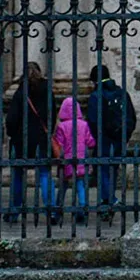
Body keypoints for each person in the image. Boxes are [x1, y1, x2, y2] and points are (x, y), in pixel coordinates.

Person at [85, 65, 138, 221]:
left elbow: (93, 121)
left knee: (102, 169)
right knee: (113, 169)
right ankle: (108, 200)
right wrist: (124, 135)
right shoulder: (122, 93)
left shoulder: (96, 96)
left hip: (104, 139)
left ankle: (108, 201)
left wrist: (98, 137)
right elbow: (131, 117)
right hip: (119, 139)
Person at [4, 62, 54, 222]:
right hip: (41, 138)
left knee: (18, 175)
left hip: (21, 139)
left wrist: (12, 133)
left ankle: (15, 210)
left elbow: (11, 118)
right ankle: (51, 210)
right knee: (45, 175)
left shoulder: (20, 92)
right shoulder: (47, 90)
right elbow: (52, 114)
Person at [52, 96, 95, 225]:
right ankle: (82, 209)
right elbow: (91, 142)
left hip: (66, 161)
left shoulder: (62, 126)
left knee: (63, 186)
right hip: (81, 160)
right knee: (81, 185)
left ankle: (58, 209)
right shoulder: (84, 125)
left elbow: (59, 143)